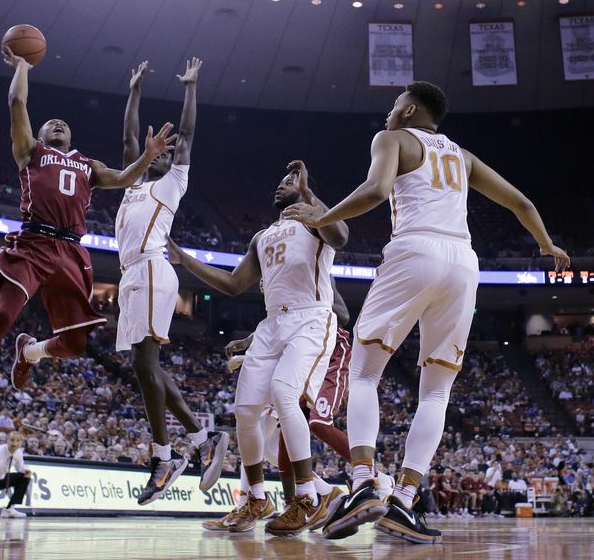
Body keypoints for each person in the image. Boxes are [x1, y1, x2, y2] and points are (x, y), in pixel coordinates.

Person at [287, 81, 570, 543]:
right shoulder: (463, 156)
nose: (388, 111)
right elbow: (521, 202)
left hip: (415, 250)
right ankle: (404, 500)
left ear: (410, 109)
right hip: (464, 263)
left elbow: (377, 189)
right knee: (436, 392)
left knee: (364, 373)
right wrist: (545, 243)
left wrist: (320, 218)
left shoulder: (393, 138)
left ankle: (362, 483)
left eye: (394, 104)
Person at [0, 45, 177, 442]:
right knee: (2, 314)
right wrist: (22, 66)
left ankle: (29, 352)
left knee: (74, 344)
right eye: (51, 122)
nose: (58, 124)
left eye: (63, 123)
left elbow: (124, 180)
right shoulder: (31, 152)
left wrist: (146, 157)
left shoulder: (88, 164)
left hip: (70, 251)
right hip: (33, 242)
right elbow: (17, 101)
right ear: (42, 134)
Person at [168, 161, 348, 535]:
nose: (280, 185)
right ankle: (255, 498)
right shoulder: (261, 237)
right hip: (271, 324)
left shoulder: (316, 219)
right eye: (280, 181)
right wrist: (186, 260)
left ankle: (308, 498)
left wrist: (311, 197)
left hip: (311, 317)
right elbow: (235, 284)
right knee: (245, 411)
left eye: (289, 181)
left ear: (303, 186)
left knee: (284, 394)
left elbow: (342, 235)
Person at [115, 58, 228, 505]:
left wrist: (191, 88)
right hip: (129, 277)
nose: (159, 153)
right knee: (148, 368)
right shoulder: (133, 184)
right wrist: (134, 92)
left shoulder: (174, 181)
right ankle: (203, 440)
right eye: (153, 152)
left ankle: (165, 457)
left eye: (165, 151)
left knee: (145, 365)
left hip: (151, 268)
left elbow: (188, 136)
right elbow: (128, 140)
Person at [204, 278, 352, 532]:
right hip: (286, 348)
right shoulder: (271, 259)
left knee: (272, 433)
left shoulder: (309, 260)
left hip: (315, 346)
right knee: (264, 441)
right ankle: (325, 493)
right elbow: (281, 319)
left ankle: (359, 480)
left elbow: (337, 314)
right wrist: (252, 344)